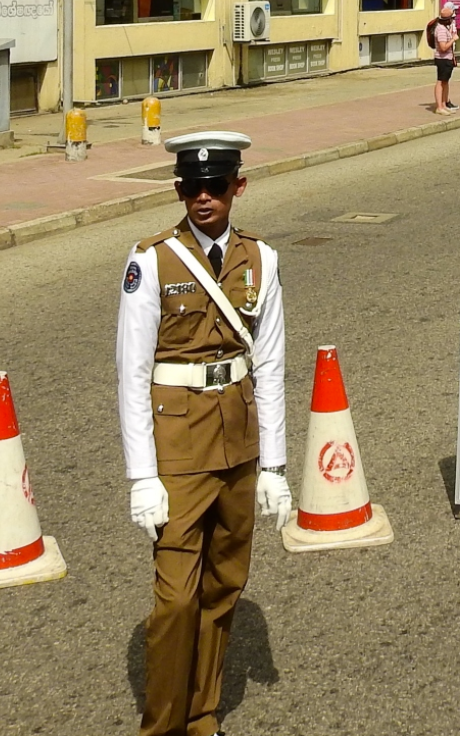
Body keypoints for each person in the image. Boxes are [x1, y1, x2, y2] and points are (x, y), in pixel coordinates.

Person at [116, 131, 292, 736]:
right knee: (174, 600)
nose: (203, 198)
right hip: (179, 449)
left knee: (224, 583)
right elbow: (131, 373)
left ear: (237, 187)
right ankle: (161, 724)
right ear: (178, 190)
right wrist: (142, 477)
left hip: (239, 443)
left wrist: (274, 465)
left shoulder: (261, 260)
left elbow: (269, 363)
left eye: (215, 187)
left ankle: (202, 712)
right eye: (191, 187)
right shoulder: (151, 261)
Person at [433, 2, 459, 115]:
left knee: (445, 82)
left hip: (447, 58)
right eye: (451, 18)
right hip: (442, 59)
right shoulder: (441, 30)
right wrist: (453, 39)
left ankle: (443, 104)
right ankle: (439, 106)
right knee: (440, 82)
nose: (453, 20)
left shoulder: (445, 28)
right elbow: (443, 47)